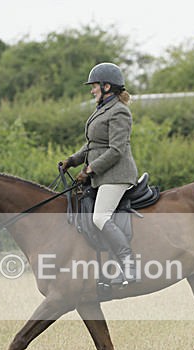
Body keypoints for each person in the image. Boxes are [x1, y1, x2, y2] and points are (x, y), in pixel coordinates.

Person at [60, 62, 139, 284]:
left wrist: (90, 169)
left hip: (117, 176)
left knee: (99, 217)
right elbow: (93, 145)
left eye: (94, 86)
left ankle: (129, 264)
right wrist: (73, 161)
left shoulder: (120, 112)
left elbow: (116, 150)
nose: (91, 89)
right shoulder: (103, 110)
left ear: (106, 87)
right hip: (102, 176)